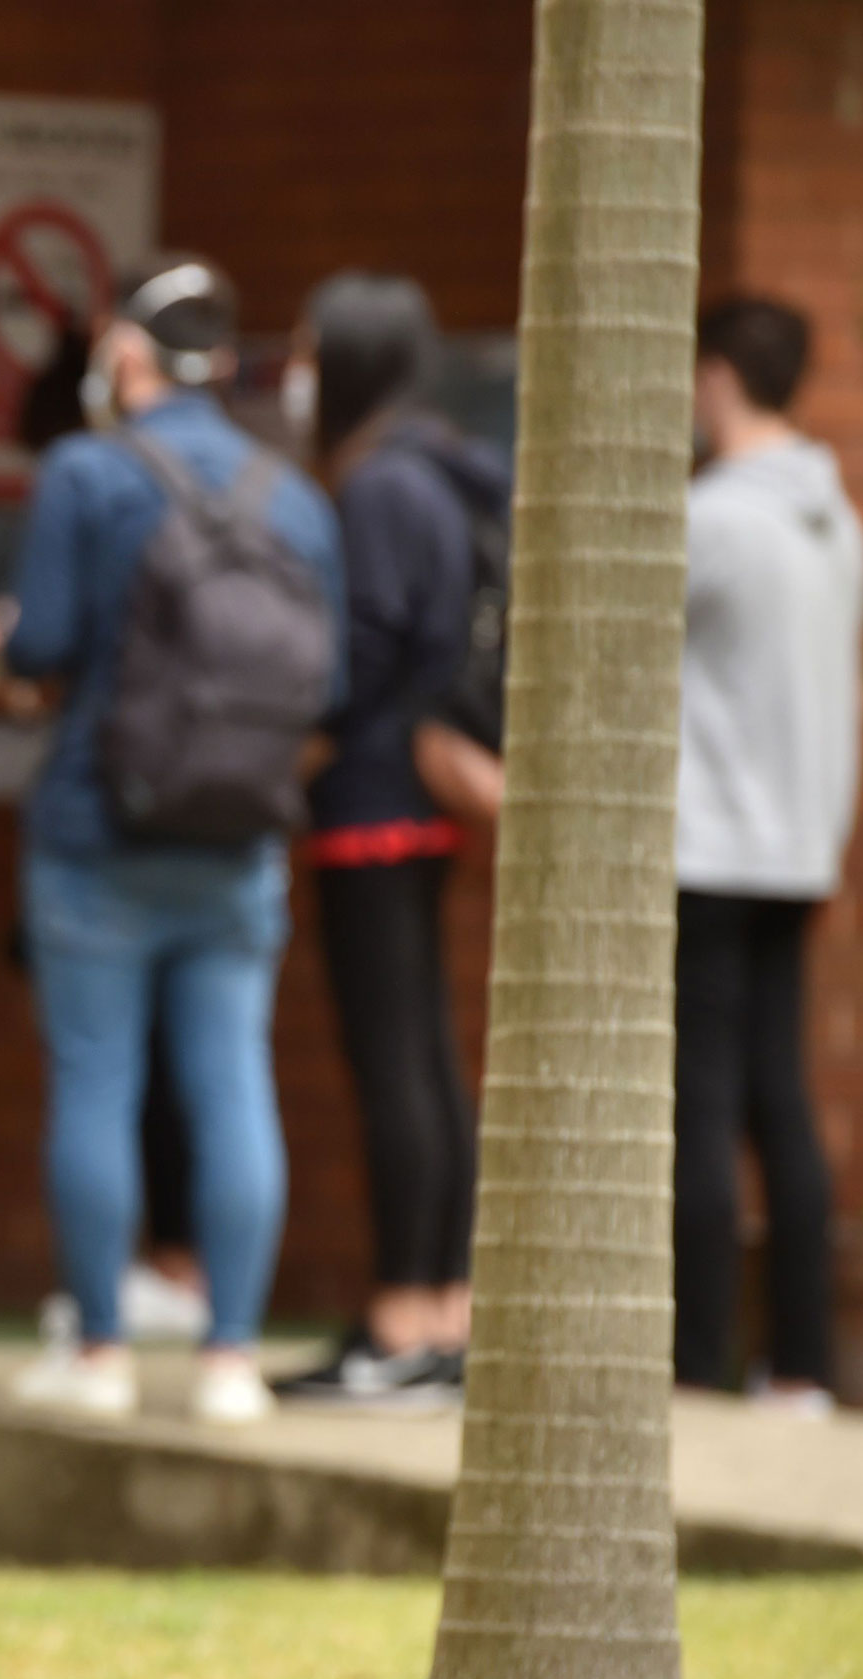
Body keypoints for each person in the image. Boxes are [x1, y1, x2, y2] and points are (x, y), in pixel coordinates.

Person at [0, 252, 345, 1422]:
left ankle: (98, 1354)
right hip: (239, 839)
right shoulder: (292, 494)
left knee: (96, 1080)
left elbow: (39, 649)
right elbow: (324, 682)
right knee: (233, 1082)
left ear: (124, 352)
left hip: (99, 830)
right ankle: (231, 1358)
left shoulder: (87, 473)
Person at [275, 273, 509, 1407]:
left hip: (367, 804)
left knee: (395, 1061)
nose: (295, 369)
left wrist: (304, 742)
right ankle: (445, 1313)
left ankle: (401, 1320)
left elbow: (359, 649)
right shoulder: (453, 469)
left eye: (309, 348)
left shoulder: (379, 487)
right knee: (426, 1051)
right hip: (423, 800)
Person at [673, 295, 863, 1413]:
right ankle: (802, 1365)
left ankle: (696, 1362)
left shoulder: (715, 519)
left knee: (698, 1106)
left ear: (716, 376)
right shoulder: (835, 522)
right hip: (800, 847)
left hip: (707, 847)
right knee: (778, 1100)